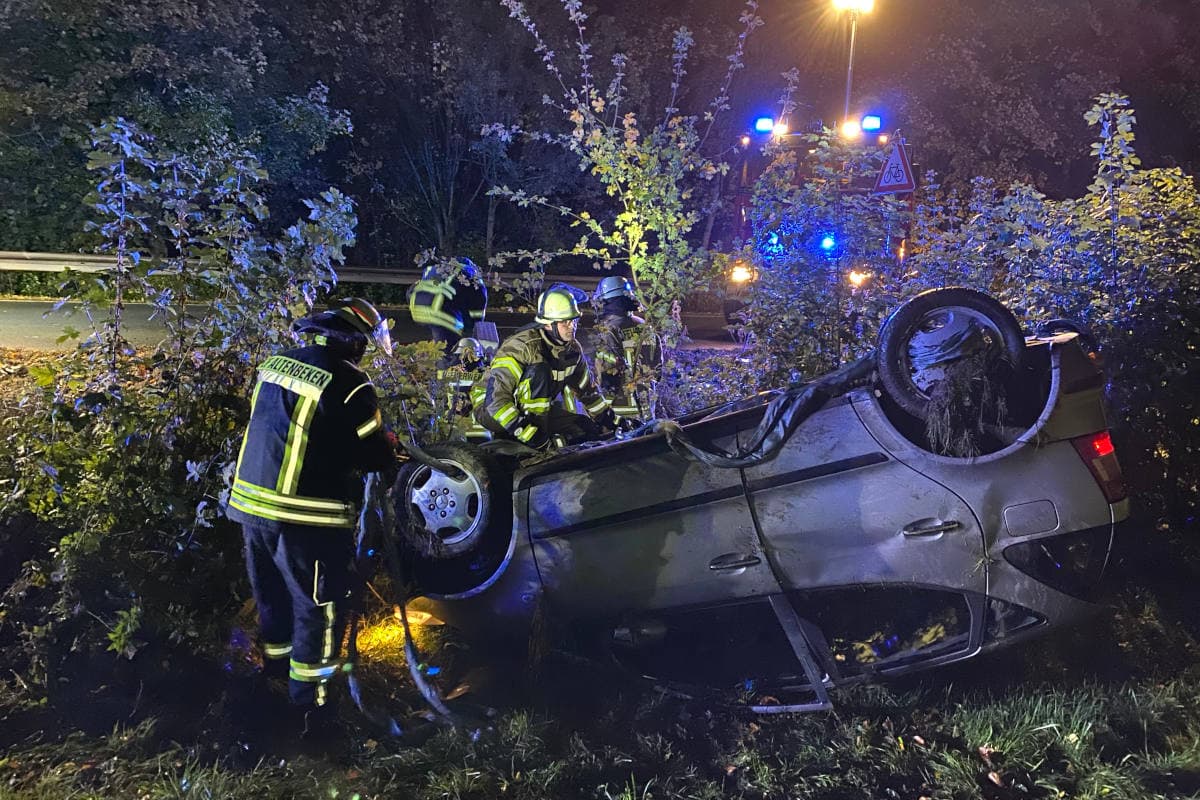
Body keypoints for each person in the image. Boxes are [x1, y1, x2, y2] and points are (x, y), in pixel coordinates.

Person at [226, 297, 397, 734]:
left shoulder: (276, 362)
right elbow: (373, 454)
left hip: (251, 506)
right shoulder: (353, 384)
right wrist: (389, 447)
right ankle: (313, 711)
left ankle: (274, 677)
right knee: (318, 610)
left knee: (273, 599)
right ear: (354, 341)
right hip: (307, 517)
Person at [471, 285, 617, 449]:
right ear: (548, 324)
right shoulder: (522, 347)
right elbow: (496, 400)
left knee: (584, 428)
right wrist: (528, 434)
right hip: (491, 409)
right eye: (564, 322)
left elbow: (588, 392)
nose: (572, 326)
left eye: (574, 320)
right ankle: (519, 442)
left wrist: (612, 421)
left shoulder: (572, 350)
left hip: (537, 412)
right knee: (540, 370)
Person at [590, 275, 650, 421]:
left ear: (606, 300)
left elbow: (608, 371)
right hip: (646, 400)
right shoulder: (642, 324)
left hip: (621, 405)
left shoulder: (607, 329)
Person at [407, 257, 488, 360]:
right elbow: (478, 309)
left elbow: (413, 289)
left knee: (439, 337)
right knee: (449, 350)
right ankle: (446, 369)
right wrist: (470, 332)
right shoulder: (473, 276)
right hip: (440, 311)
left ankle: (433, 363)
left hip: (418, 306)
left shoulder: (437, 268)